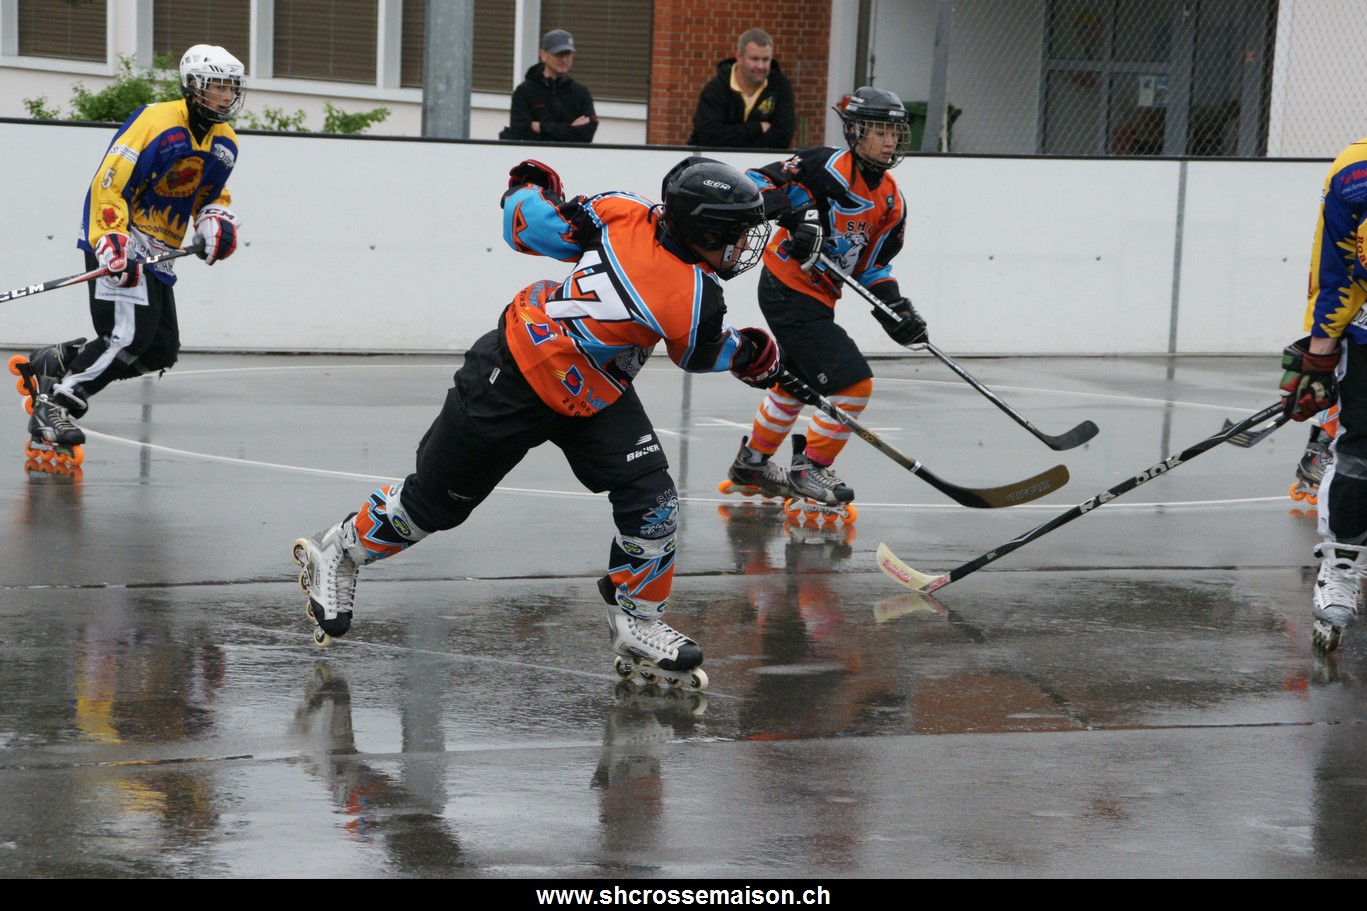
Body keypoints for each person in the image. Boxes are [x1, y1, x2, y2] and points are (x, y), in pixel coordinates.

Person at [290, 156, 780, 691]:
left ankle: (637, 620)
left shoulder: (623, 209)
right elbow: (700, 354)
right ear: (705, 231)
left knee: (651, 496)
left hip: (591, 390)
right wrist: (755, 355)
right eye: (737, 234)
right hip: (514, 381)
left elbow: (529, 227)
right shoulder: (698, 295)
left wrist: (525, 190)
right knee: (432, 506)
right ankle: (340, 550)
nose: (744, 246)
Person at [20, 44, 244, 455]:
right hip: (120, 238)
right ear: (193, 85)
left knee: (159, 349)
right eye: (217, 86)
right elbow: (108, 182)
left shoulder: (225, 142)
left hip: (159, 250)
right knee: (126, 337)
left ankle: (61, 359)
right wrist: (111, 239)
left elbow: (211, 194)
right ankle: (56, 404)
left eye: (231, 88)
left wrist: (214, 218)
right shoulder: (154, 121)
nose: (225, 96)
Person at [723, 85, 924, 512]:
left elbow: (872, 267)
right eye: (879, 131)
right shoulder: (822, 166)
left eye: (894, 133)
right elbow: (753, 182)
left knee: (795, 384)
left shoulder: (891, 200)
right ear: (855, 132)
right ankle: (811, 468)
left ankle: (752, 463)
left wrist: (896, 309)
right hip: (786, 285)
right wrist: (795, 216)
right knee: (854, 383)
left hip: (819, 297)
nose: (889, 141)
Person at [1282, 134, 1367, 653]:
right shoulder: (1356, 172)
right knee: (1361, 452)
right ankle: (1341, 569)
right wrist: (1320, 351)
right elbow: (1336, 268)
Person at [687, 27, 795, 150]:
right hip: (713, 161)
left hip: (762, 161)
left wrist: (742, 146)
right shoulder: (715, 89)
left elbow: (782, 138)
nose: (760, 66)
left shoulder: (780, 87)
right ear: (739, 56)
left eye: (765, 59)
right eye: (754, 59)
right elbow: (711, 137)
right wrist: (757, 128)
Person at [500, 29, 598, 143]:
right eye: (558, 54)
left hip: (570, 155)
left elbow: (586, 135)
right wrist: (569, 129)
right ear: (543, 55)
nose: (564, 59)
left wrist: (541, 127)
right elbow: (520, 133)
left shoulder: (580, 93)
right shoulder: (525, 92)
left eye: (568, 54)